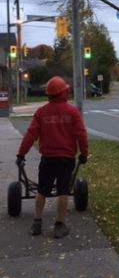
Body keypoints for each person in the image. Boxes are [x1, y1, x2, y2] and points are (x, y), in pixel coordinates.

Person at [16, 76, 88, 238]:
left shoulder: (42, 112)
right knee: (63, 190)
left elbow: (30, 135)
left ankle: (37, 223)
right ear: (64, 92)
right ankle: (59, 225)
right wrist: (83, 153)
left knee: (42, 190)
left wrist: (21, 154)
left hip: (48, 159)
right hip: (66, 158)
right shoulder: (72, 112)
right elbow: (81, 135)